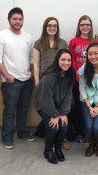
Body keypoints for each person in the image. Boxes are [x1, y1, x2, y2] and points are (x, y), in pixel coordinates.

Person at [0, 7, 35, 149]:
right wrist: (7, 76)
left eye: (20, 19)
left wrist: (31, 76)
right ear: (9, 20)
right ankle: (7, 137)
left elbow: (31, 59)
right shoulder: (1, 36)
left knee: (24, 109)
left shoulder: (28, 37)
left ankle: (22, 133)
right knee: (9, 110)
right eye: (15, 19)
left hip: (26, 80)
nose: (18, 21)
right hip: (11, 81)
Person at [33, 17, 69, 149]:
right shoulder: (38, 43)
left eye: (55, 26)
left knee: (60, 108)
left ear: (57, 28)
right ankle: (51, 136)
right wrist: (37, 83)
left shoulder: (63, 43)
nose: (52, 28)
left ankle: (60, 138)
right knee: (48, 109)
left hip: (60, 83)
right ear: (45, 27)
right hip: (45, 83)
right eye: (49, 25)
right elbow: (36, 65)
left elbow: (66, 63)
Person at [34, 49, 75, 164]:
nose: (66, 63)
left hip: (58, 106)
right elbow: (45, 99)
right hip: (43, 105)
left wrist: (63, 113)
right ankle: (48, 151)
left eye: (68, 60)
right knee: (53, 126)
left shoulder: (69, 74)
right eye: (63, 60)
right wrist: (54, 115)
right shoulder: (49, 76)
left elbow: (68, 96)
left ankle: (58, 149)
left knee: (64, 125)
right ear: (57, 60)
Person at [68, 15, 98, 143]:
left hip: (92, 80)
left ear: (90, 27)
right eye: (82, 24)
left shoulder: (96, 42)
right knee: (80, 108)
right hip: (77, 80)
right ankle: (81, 132)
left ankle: (91, 133)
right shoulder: (73, 41)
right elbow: (70, 61)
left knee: (92, 105)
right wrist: (78, 76)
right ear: (79, 26)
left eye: (87, 24)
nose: (85, 27)